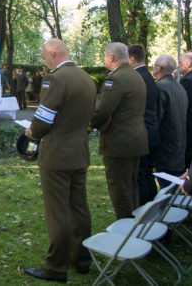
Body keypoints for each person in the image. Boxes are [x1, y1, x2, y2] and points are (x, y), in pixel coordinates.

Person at [24, 39, 97, 283]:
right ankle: (82, 259)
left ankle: (56, 267)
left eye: (45, 56)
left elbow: (44, 120)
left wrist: (31, 133)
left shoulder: (54, 79)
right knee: (79, 208)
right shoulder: (87, 78)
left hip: (57, 155)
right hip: (80, 152)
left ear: (53, 53)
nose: (44, 60)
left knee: (57, 213)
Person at [90, 42, 148, 219]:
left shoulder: (115, 79)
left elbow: (101, 110)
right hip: (136, 139)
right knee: (131, 187)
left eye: (105, 56)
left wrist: (85, 124)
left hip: (119, 142)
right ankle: (135, 227)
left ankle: (125, 232)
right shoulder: (136, 75)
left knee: (120, 190)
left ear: (111, 57)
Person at [128, 44, 159, 205]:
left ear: (132, 59)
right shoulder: (149, 76)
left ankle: (145, 214)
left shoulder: (138, 78)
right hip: (152, 130)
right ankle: (153, 212)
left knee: (141, 175)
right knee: (148, 174)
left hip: (143, 132)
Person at [152, 55, 188, 187]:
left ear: (159, 68)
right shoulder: (179, 87)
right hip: (179, 145)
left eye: (154, 65)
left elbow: (157, 118)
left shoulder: (160, 88)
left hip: (165, 148)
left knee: (167, 189)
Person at [178, 51, 192, 168]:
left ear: (188, 64)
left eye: (180, 62)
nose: (177, 65)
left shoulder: (188, 81)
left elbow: (181, 107)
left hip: (191, 134)